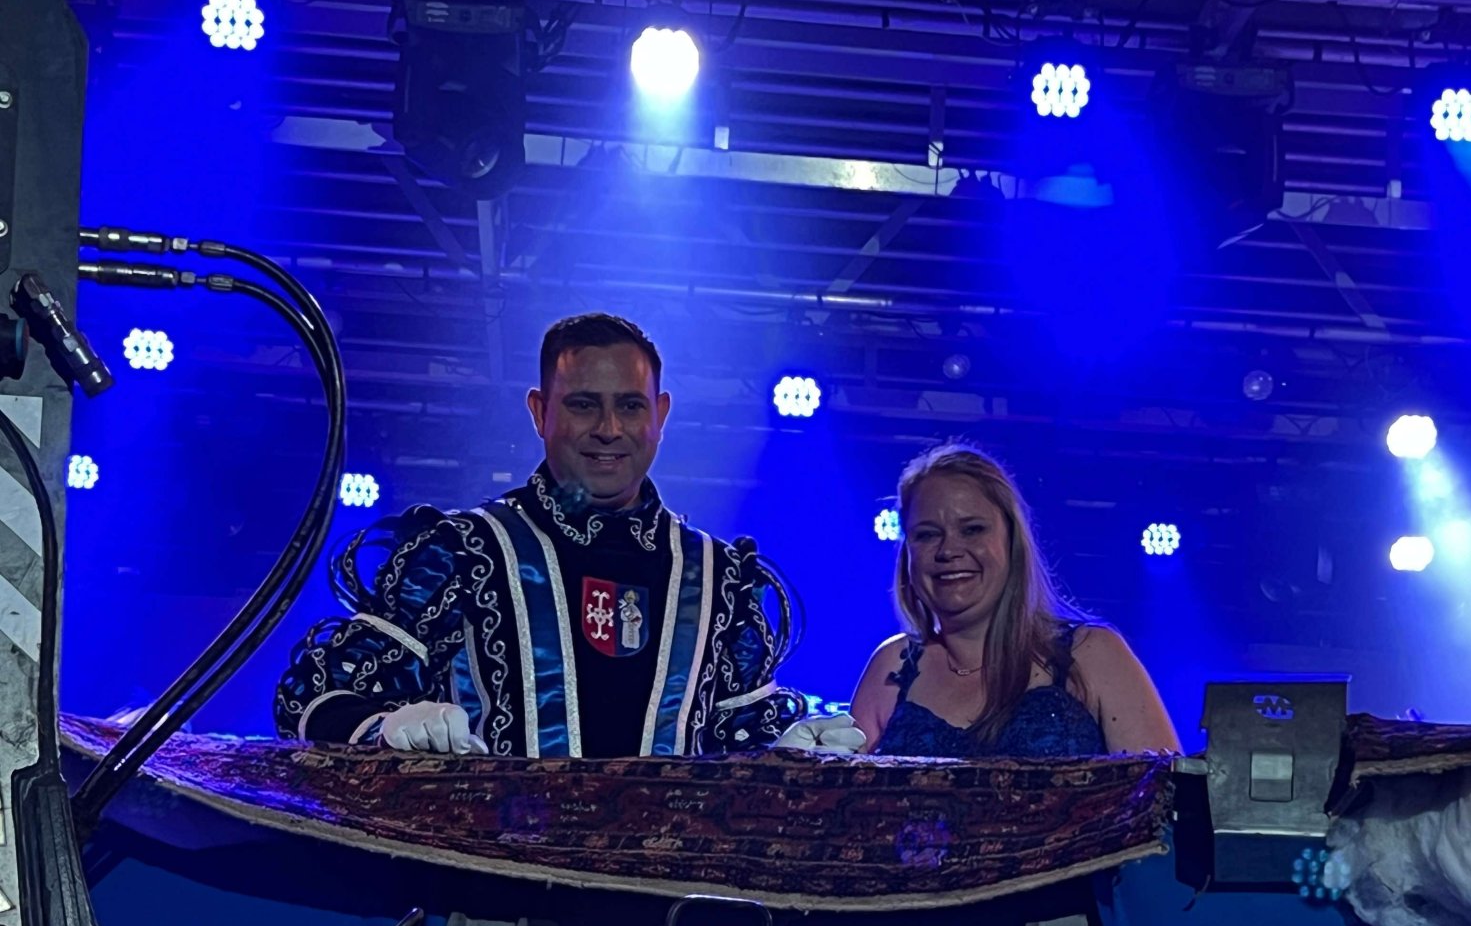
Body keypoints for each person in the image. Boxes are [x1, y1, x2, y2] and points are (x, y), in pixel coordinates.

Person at [273, 313, 805, 758]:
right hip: (488, 854)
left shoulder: (718, 576)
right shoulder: (461, 552)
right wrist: (386, 726)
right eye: (583, 404)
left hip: (667, 858)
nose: (609, 429)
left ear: (660, 415)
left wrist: (795, 750)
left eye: (630, 405)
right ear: (539, 411)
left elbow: (744, 736)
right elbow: (311, 700)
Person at [841, 443, 1179, 758]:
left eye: (972, 529)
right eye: (927, 535)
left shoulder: (1091, 654)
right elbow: (841, 795)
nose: (948, 550)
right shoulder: (892, 666)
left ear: (1012, 540)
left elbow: (1166, 793)